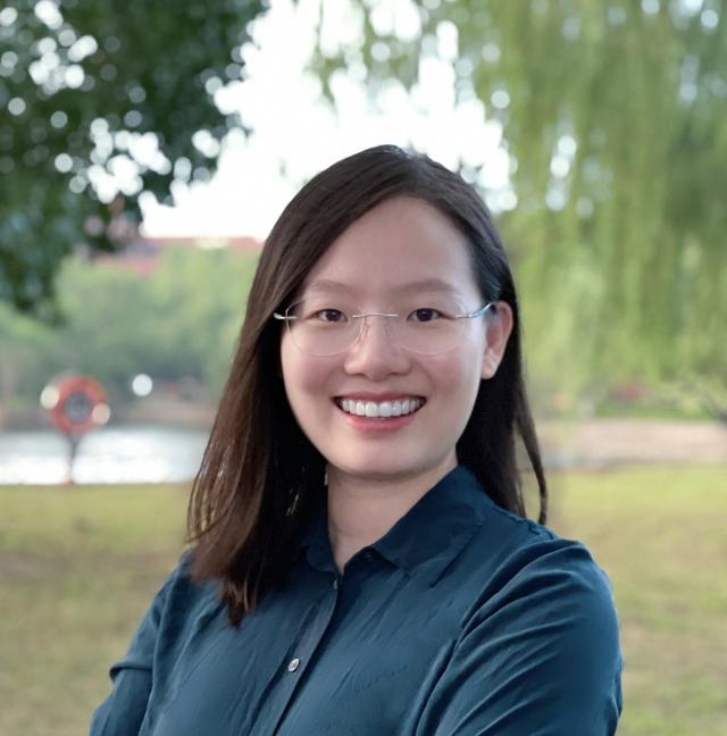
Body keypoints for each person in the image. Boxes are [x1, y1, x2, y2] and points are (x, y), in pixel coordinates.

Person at [90, 145, 622, 735]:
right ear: (277, 339)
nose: (373, 359)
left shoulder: (537, 606)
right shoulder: (205, 583)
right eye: (331, 314)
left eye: (425, 314)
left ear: (492, 339)